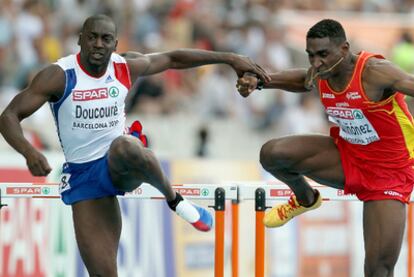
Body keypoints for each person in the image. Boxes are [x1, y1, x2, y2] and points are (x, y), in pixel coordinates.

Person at [0, 14, 270, 276]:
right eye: (92, 37)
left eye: (106, 39)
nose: (98, 44)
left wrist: (230, 58)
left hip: (121, 161)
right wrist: (29, 152)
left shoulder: (124, 67)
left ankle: (177, 202)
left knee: (124, 146)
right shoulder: (59, 75)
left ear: (115, 45)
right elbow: (8, 117)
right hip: (83, 174)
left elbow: (174, 58)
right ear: (80, 39)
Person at [236, 19, 414, 277]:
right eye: (310, 55)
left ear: (344, 49)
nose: (315, 62)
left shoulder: (374, 72)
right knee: (272, 154)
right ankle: (305, 199)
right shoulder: (322, 70)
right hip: (348, 155)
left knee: (377, 270)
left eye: (322, 55)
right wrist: (262, 81)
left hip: (390, 170)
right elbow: (303, 80)